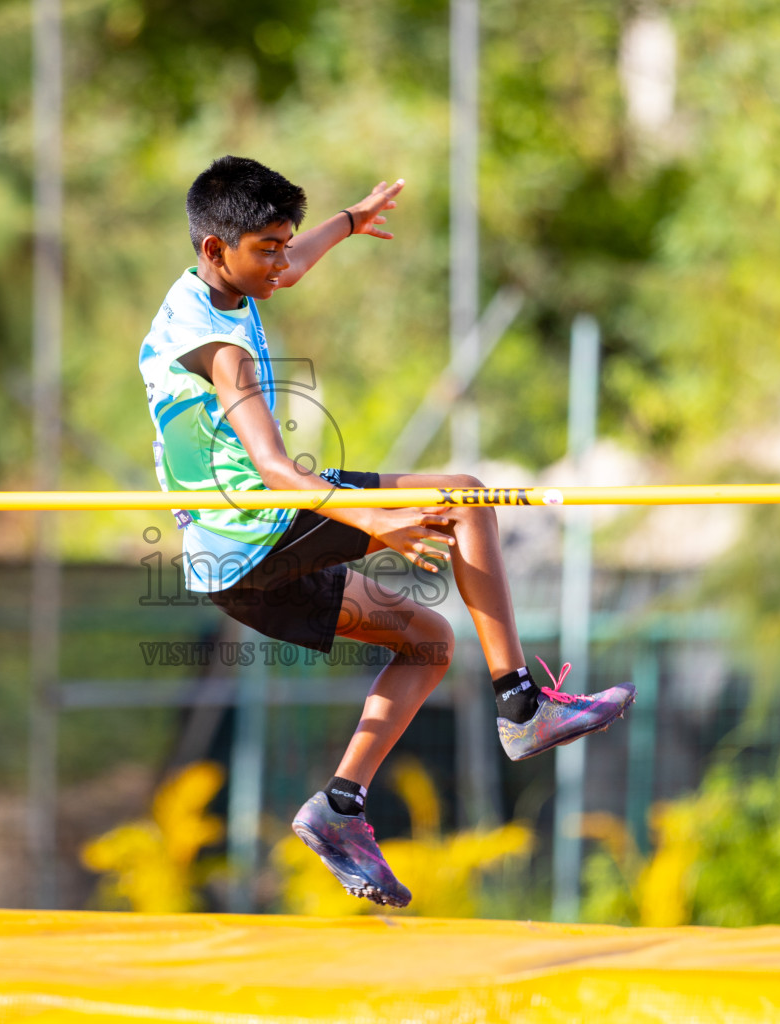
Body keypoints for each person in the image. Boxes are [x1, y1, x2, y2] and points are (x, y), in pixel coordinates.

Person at [139, 155, 635, 908]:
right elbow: (275, 470)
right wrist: (376, 521)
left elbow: (295, 262)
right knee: (466, 497)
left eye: (285, 244)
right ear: (216, 250)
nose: (282, 264)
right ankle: (522, 708)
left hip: (242, 564)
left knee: (428, 641)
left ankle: (338, 809)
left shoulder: (224, 279)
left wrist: (349, 220)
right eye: (267, 250)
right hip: (259, 532)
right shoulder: (221, 348)